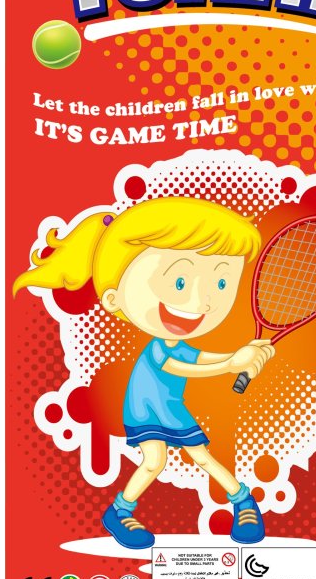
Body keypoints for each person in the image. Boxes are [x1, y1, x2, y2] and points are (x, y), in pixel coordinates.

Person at [14, 197, 275, 547]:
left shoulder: (176, 342)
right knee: (155, 461)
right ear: (113, 299)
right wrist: (230, 365)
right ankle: (120, 512)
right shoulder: (158, 349)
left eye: (221, 284)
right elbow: (182, 367)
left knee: (200, 456)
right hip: (145, 409)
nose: (203, 302)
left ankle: (242, 502)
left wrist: (238, 355)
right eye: (179, 282)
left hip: (170, 408)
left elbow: (199, 357)